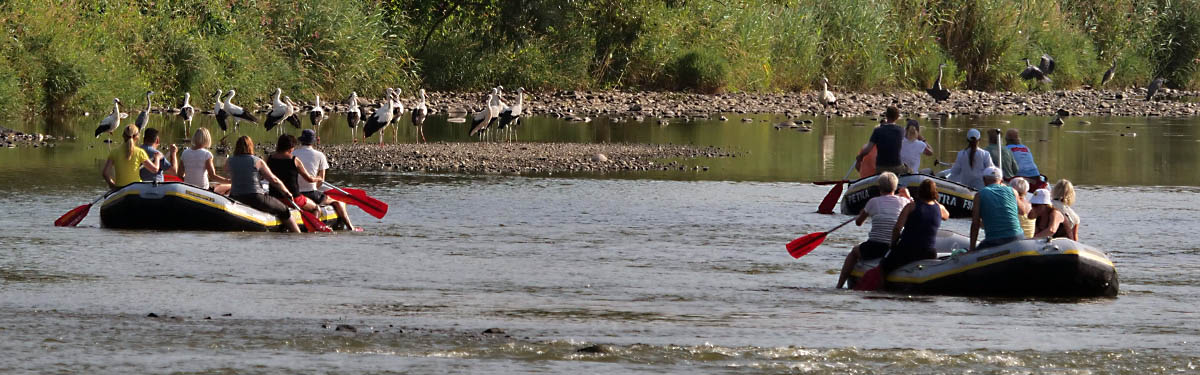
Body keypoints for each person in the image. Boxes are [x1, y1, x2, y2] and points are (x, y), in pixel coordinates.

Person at [837, 172, 911, 288]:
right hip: (895, 247)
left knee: (854, 252)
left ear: (879, 188)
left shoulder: (873, 202)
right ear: (895, 187)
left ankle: (839, 285)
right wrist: (908, 196)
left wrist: (864, 212)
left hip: (875, 246)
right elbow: (913, 206)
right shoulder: (905, 202)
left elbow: (858, 222)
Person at [226, 136, 302, 233]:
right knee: (284, 210)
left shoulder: (230, 160)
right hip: (255, 197)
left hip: (235, 196)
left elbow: (230, 173)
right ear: (251, 146)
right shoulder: (257, 161)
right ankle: (297, 234)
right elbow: (273, 180)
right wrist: (287, 192)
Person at [294, 129, 357, 231]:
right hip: (311, 194)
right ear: (313, 141)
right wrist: (316, 187)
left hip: (296, 194)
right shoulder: (320, 155)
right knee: (338, 202)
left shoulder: (293, 153)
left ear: (301, 140)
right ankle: (351, 228)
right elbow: (321, 180)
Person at [883, 180, 950, 274]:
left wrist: (893, 245)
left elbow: (897, 228)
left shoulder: (910, 207)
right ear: (935, 192)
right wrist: (934, 199)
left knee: (883, 266)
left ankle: (882, 287)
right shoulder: (940, 208)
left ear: (919, 191)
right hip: (929, 252)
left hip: (908, 249)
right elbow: (947, 216)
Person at [266, 134, 324, 218]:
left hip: (274, 197)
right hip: (293, 198)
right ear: (290, 147)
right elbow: (309, 179)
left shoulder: (269, 158)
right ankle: (312, 231)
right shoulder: (294, 160)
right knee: (316, 208)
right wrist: (318, 178)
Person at [969, 166, 1023, 251]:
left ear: (984, 180)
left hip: (995, 241)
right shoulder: (1013, 191)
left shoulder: (979, 195)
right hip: (1017, 237)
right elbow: (1022, 211)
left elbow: (975, 223)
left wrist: (971, 249)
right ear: (1001, 180)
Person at [102, 124, 159, 190]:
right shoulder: (140, 152)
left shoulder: (114, 152)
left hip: (120, 188)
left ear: (123, 135)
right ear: (137, 137)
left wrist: (112, 185)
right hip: (136, 188)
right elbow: (155, 170)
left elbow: (105, 173)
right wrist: (157, 157)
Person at [856, 106, 909, 176]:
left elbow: (868, 149)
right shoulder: (901, 130)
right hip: (897, 167)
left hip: (880, 168)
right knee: (909, 170)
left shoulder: (877, 130)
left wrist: (860, 156)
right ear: (897, 117)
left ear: (886, 116)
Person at [179, 128, 231, 194]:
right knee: (229, 186)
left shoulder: (185, 153)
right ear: (207, 139)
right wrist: (228, 181)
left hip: (188, 188)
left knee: (215, 185)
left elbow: (180, 174)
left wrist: (189, 182)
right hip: (204, 190)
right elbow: (212, 175)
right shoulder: (207, 154)